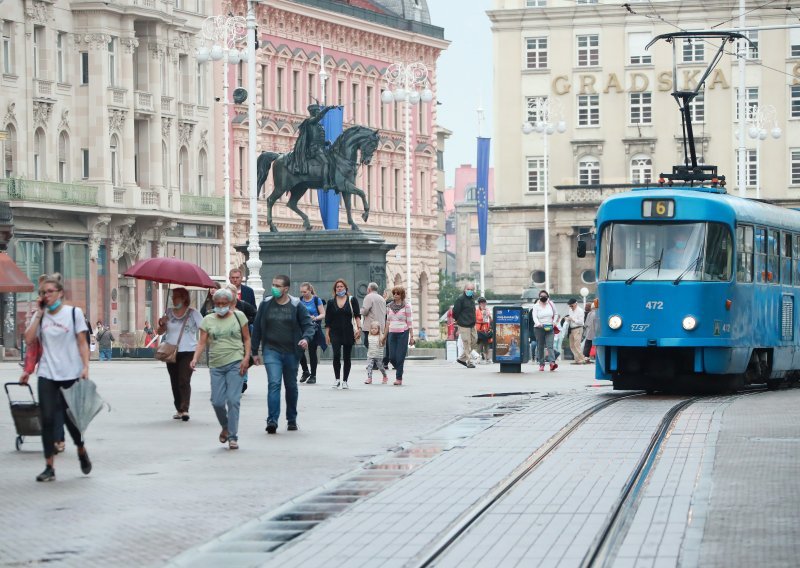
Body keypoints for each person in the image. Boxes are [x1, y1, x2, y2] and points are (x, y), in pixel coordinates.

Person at [22, 273, 92, 483]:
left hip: (70, 374)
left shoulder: (73, 313)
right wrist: (38, 314)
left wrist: (86, 366)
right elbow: (28, 339)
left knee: (71, 421)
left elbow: (82, 342)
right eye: (42, 292)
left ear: (60, 293)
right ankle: (49, 467)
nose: (46, 295)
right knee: (48, 420)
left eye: (50, 292)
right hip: (47, 373)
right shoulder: (41, 316)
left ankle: (81, 449)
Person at [251, 274, 314, 434]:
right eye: (273, 285)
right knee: (274, 383)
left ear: (286, 288)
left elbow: (308, 325)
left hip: (292, 352)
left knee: (291, 386)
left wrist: (306, 339)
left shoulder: (296, 304)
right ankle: (272, 420)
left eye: (278, 286)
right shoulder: (265, 304)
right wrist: (254, 351)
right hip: (271, 351)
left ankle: (291, 419)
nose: (274, 288)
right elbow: (257, 327)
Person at [191, 288, 250, 450]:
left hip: (235, 362)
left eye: (224, 303)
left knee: (233, 400)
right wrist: (195, 358)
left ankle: (233, 436)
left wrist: (246, 358)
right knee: (217, 401)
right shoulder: (208, 320)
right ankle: (225, 426)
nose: (221, 306)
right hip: (216, 364)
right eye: (218, 304)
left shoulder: (239, 317)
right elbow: (202, 342)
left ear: (231, 303)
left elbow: (246, 338)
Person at [156, 287, 204, 422]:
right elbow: (159, 332)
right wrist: (162, 324)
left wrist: (203, 343)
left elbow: (204, 328)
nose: (173, 299)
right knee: (174, 381)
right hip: (171, 351)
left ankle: (185, 409)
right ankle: (178, 408)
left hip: (188, 351)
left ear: (184, 298)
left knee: (184, 379)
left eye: (176, 296)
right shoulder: (168, 313)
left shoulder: (193, 313)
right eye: (172, 296)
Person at [325, 279, 361, 389]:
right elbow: (328, 319)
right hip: (335, 332)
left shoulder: (352, 300)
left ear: (345, 288)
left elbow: (357, 315)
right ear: (335, 289)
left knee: (347, 357)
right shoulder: (331, 302)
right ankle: (337, 379)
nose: (339, 288)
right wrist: (327, 334)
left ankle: (345, 380)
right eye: (337, 287)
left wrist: (359, 328)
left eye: (341, 286)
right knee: (336, 355)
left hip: (348, 331)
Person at [287, 104, 335, 184]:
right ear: (313, 113)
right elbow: (318, 118)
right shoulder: (310, 121)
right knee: (326, 162)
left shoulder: (318, 125)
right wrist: (327, 109)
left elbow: (318, 139)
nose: (318, 113)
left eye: (319, 111)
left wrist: (326, 143)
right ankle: (326, 183)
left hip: (321, 149)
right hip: (314, 149)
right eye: (317, 112)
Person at [380, 286, 414, 386]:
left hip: (403, 333)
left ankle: (398, 377)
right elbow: (387, 322)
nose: (395, 295)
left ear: (402, 295)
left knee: (400, 357)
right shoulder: (389, 306)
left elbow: (410, 322)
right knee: (391, 357)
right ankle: (400, 369)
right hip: (391, 333)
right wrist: (384, 336)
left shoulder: (406, 306)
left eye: (397, 293)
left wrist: (411, 336)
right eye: (394, 293)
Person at [298, 282, 326, 384]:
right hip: (302, 328)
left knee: (312, 351)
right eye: (301, 292)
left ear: (310, 290)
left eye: (305, 291)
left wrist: (315, 317)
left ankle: (313, 375)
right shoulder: (300, 300)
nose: (303, 293)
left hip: (313, 328)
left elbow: (323, 314)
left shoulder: (316, 300)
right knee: (300, 349)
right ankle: (305, 371)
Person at [531, 290, 558, 372]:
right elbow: (534, 316)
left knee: (550, 346)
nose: (543, 297)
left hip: (549, 327)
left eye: (545, 296)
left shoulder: (551, 304)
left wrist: (554, 322)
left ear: (547, 297)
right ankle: (541, 364)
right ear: (539, 297)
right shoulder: (536, 306)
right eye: (541, 296)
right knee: (540, 346)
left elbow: (556, 313)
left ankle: (552, 363)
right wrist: (538, 323)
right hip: (539, 328)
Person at [452, 282, 477, 368]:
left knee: (475, 340)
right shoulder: (460, 299)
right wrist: (458, 320)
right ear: (464, 289)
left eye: (471, 290)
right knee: (467, 343)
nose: (470, 291)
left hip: (472, 324)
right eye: (468, 289)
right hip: (463, 324)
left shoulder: (472, 299)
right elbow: (455, 312)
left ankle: (462, 358)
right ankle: (469, 362)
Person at [360, 282, 387, 349]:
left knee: (368, 343)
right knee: (377, 344)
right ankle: (375, 357)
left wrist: (360, 311)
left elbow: (365, 311)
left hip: (371, 326)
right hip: (380, 326)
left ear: (369, 289)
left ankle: (373, 357)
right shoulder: (382, 298)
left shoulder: (368, 297)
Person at [564, 298, 587, 364]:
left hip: (578, 328)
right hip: (571, 329)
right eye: (569, 305)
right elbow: (570, 319)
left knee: (577, 344)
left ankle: (582, 358)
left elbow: (581, 322)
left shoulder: (580, 311)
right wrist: (567, 319)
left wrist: (573, 319)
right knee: (572, 345)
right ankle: (577, 359)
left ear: (575, 303)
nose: (570, 307)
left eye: (571, 305)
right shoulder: (570, 310)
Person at [475, 297, 493, 363]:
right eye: (482, 303)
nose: (483, 304)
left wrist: (489, 317)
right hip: (479, 330)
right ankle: (478, 358)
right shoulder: (476, 311)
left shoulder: (488, 310)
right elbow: (475, 320)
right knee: (479, 344)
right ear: (479, 304)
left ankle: (488, 358)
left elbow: (490, 320)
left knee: (487, 344)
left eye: (484, 303)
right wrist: (482, 317)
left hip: (486, 330)